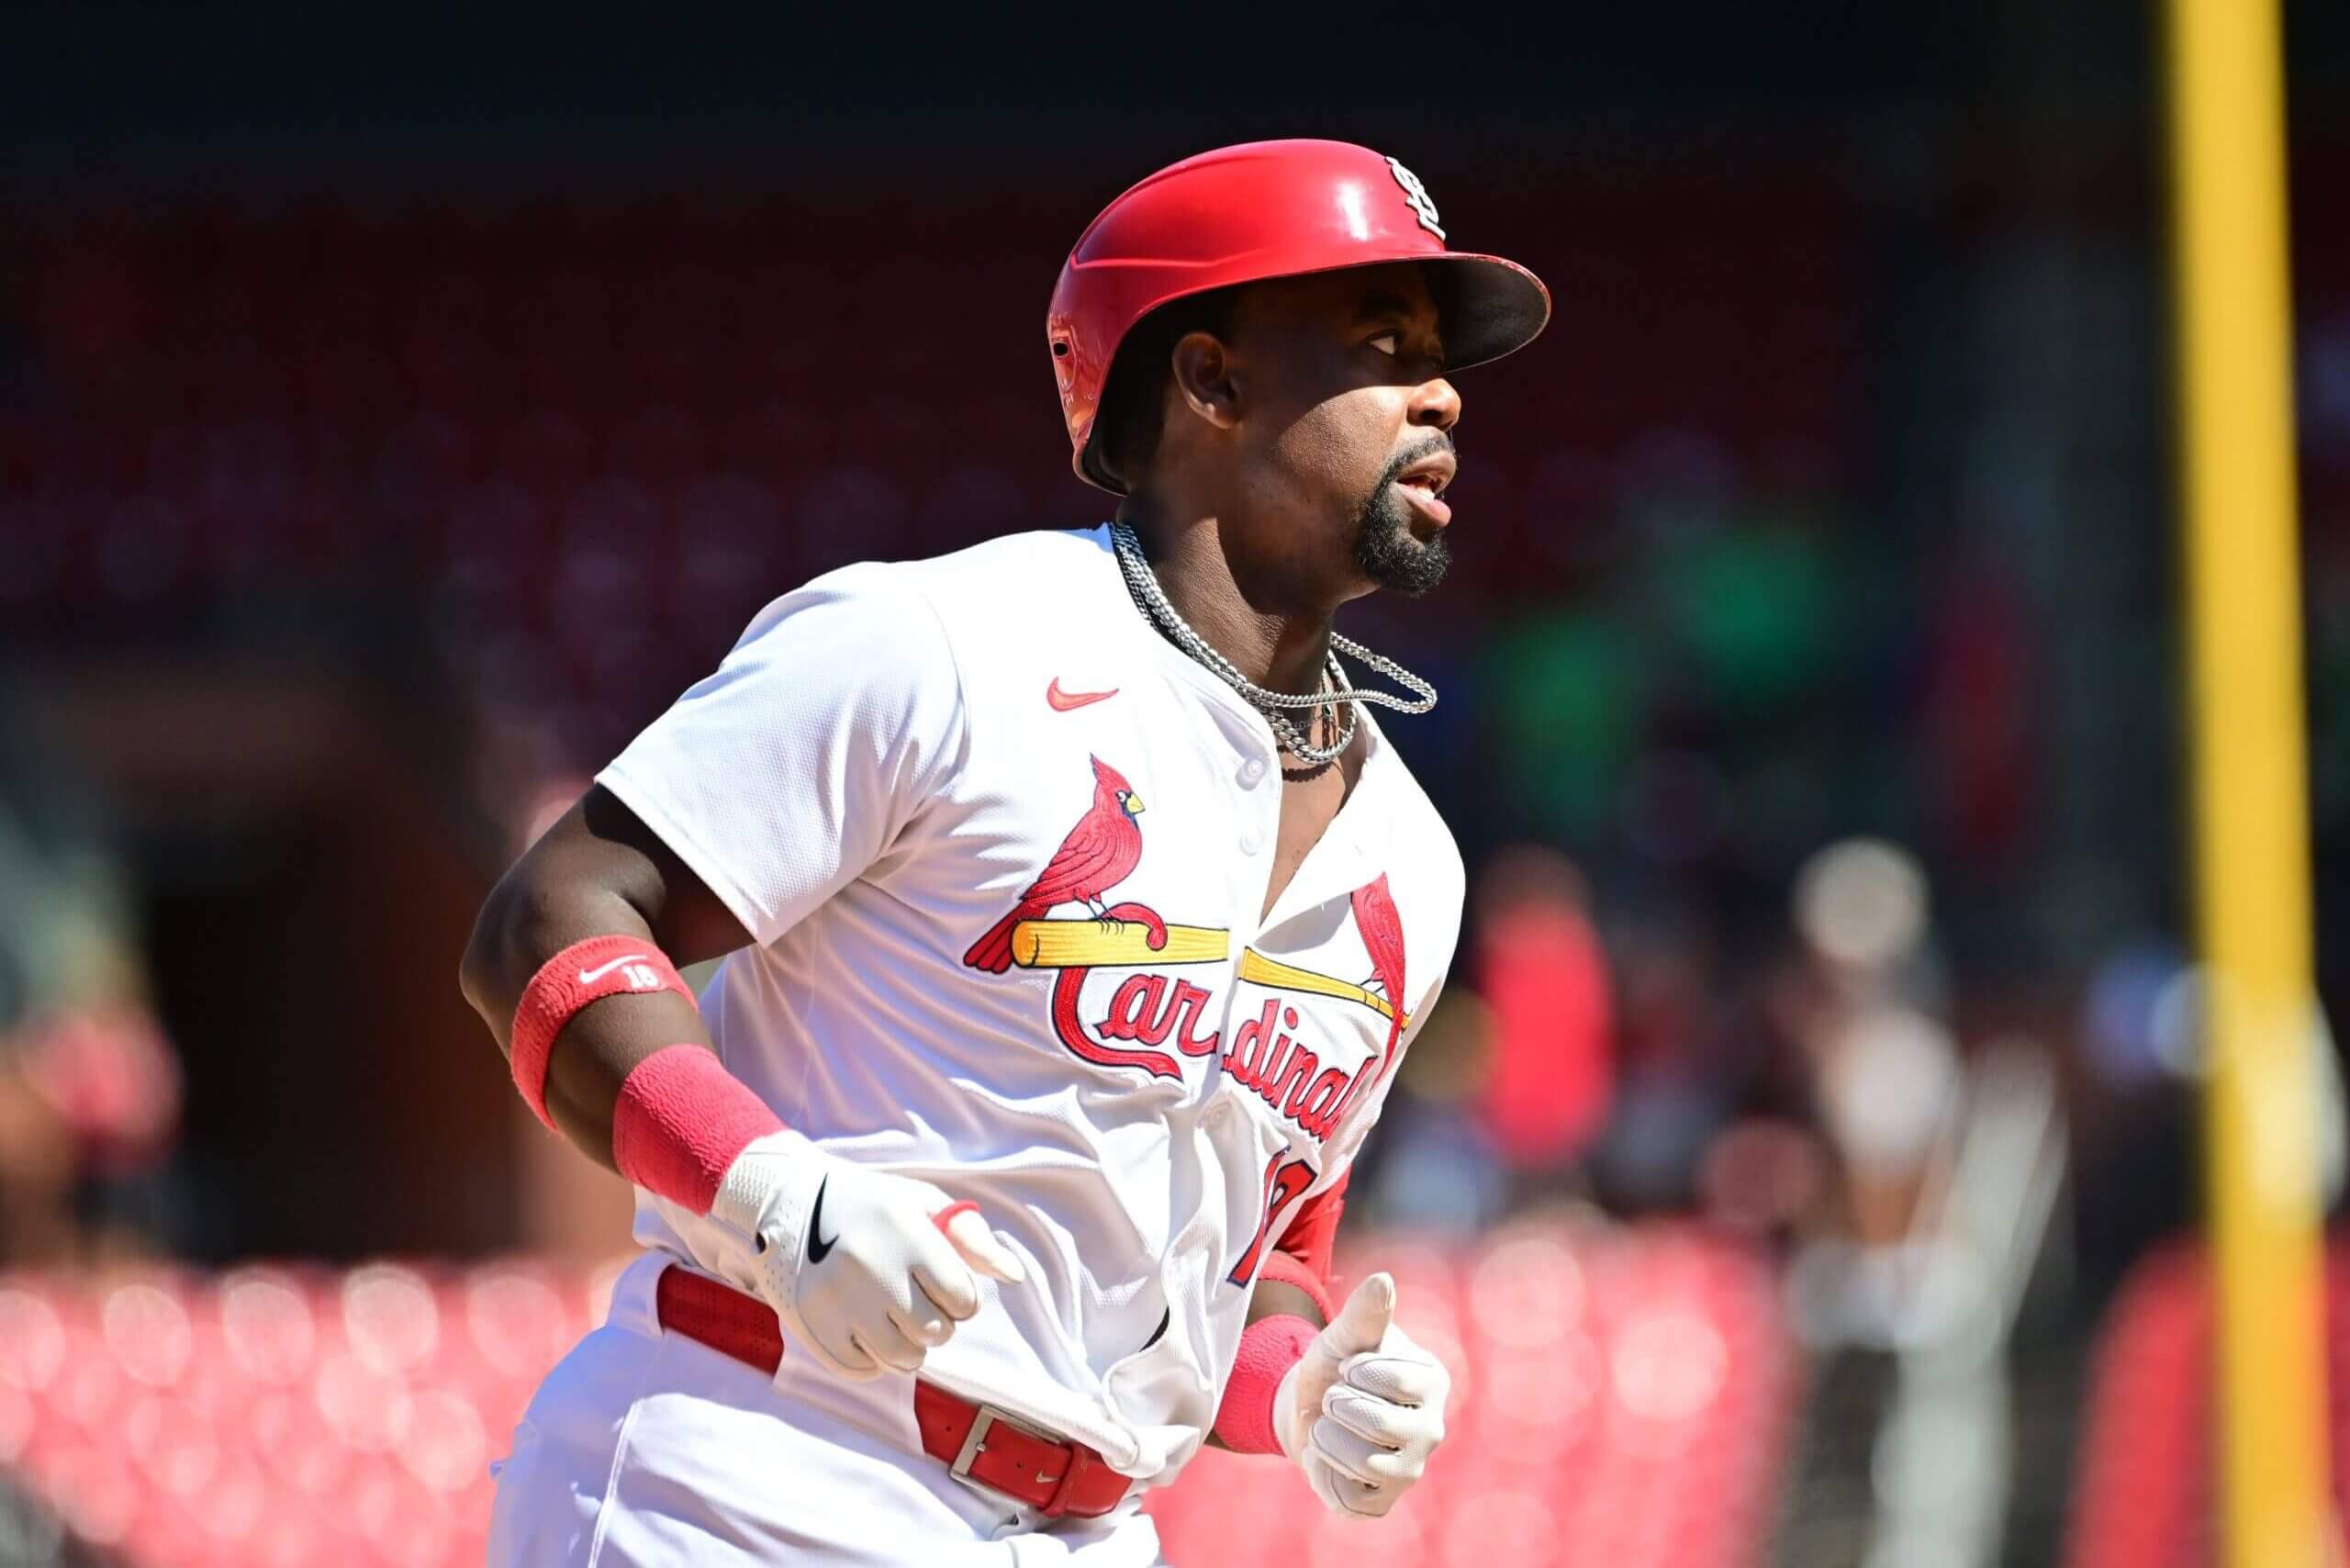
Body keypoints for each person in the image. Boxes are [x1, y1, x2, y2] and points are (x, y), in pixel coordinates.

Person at [460, 139, 1549, 1564]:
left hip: (1092, 1529)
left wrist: (1307, 1391)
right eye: (1382, 342)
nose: (1444, 391)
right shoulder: (944, 647)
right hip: (759, 1469)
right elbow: (548, 922)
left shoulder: (1414, 855)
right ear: (1207, 382)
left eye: (1438, 355)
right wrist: (775, 1193)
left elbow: (1260, 1258)